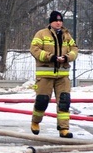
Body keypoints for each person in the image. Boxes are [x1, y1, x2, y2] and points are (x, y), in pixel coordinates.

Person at [29, 10, 78, 138]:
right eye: (56, 20)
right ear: (51, 22)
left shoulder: (66, 35)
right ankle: (35, 122)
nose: (58, 22)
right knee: (42, 101)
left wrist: (67, 57)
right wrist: (50, 57)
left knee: (64, 101)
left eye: (60, 20)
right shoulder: (41, 34)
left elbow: (74, 49)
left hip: (62, 76)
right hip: (45, 76)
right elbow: (34, 49)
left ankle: (64, 128)